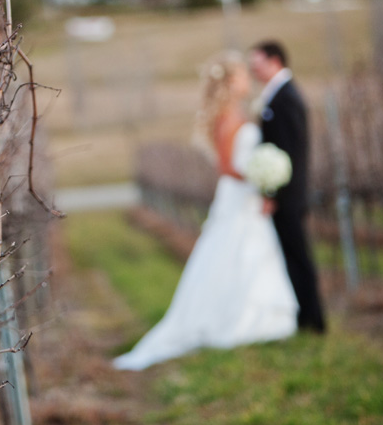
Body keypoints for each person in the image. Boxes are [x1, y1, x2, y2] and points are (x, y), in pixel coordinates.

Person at [113, 53, 298, 371]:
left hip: (244, 196)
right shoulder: (227, 117)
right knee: (234, 252)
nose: (246, 79)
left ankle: (260, 320)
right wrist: (259, 176)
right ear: (229, 82)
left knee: (250, 252)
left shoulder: (236, 113)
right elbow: (227, 166)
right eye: (241, 75)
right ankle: (233, 321)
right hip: (238, 194)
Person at [249, 40, 326, 333]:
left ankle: (313, 320)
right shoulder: (277, 96)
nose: (254, 71)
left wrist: (272, 193)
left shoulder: (286, 98)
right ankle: (303, 316)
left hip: (288, 196)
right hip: (285, 194)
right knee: (291, 257)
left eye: (257, 64)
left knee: (299, 257)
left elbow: (287, 154)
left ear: (275, 60)